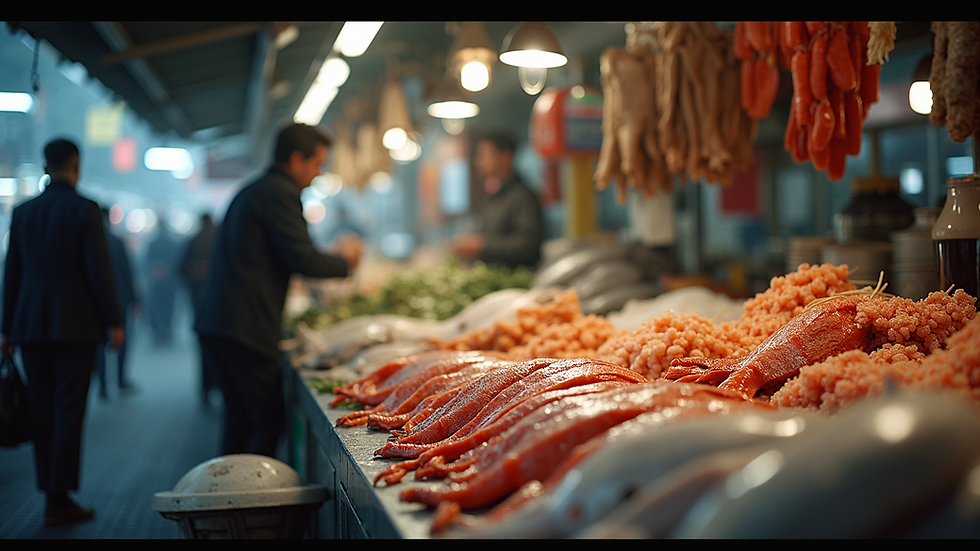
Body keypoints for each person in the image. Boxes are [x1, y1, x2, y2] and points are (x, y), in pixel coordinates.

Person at [194, 123, 362, 458]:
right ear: (296, 160)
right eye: (317, 164)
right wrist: (346, 261)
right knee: (266, 422)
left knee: (241, 421)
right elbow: (302, 257)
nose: (318, 174)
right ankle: (250, 501)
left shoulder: (258, 189)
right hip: (244, 328)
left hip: (224, 322)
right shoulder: (279, 193)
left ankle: (228, 499)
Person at [1, 138, 125, 527]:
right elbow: (99, 272)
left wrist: (5, 329)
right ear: (77, 167)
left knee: (41, 409)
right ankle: (61, 497)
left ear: (45, 167)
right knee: (69, 410)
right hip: (76, 327)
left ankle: (50, 493)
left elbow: (12, 274)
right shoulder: (85, 211)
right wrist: (115, 321)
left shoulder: (23, 213)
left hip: (31, 327)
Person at [451, 131, 544, 270]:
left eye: (484, 155)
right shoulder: (492, 197)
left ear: (505, 157)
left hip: (516, 284)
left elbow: (528, 246)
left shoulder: (523, 196)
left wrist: (481, 245)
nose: (478, 162)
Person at [95, 207, 141, 399]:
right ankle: (121, 379)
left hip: (96, 302)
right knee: (122, 341)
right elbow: (127, 272)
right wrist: (135, 300)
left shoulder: (91, 242)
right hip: (120, 300)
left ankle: (104, 385)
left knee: (100, 344)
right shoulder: (117, 241)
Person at [179, 213, 218, 406]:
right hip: (221, 303)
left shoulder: (193, 240)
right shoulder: (221, 238)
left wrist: (195, 273)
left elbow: (180, 268)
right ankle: (220, 388)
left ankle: (205, 389)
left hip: (199, 302)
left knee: (204, 348)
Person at [144, 219, 180, 345]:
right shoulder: (173, 243)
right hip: (170, 281)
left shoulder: (152, 243)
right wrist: (167, 271)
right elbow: (177, 261)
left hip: (157, 281)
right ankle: (167, 330)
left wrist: (156, 270)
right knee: (168, 306)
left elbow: (147, 261)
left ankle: (157, 331)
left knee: (156, 306)